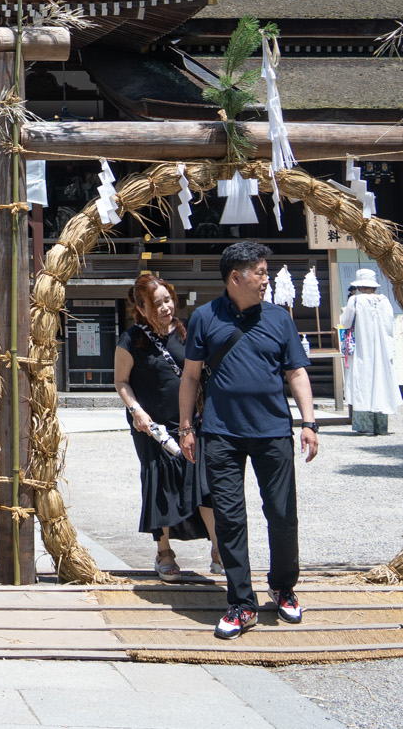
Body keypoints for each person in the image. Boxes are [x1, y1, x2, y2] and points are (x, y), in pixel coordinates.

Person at [179, 240, 319, 641]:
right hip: (221, 433)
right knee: (229, 519)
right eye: (260, 272)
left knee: (281, 513)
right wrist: (186, 428)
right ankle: (241, 602)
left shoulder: (279, 318)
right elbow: (190, 377)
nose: (265, 279)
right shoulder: (206, 317)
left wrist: (309, 422)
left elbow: (296, 374)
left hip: (273, 430)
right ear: (236, 277)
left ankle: (283, 586)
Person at [113, 272, 218, 582]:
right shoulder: (131, 339)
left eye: (168, 300)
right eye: (156, 304)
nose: (165, 307)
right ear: (142, 308)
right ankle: (164, 551)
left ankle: (218, 549)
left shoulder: (188, 333)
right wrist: (136, 411)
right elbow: (120, 381)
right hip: (151, 426)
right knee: (160, 483)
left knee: (204, 482)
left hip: (189, 421)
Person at [340, 269, 402, 435]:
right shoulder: (385, 301)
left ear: (360, 286)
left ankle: (365, 425)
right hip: (382, 348)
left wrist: (343, 311)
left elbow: (345, 323)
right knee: (381, 380)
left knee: (363, 380)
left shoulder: (355, 300)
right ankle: (381, 425)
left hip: (362, 346)